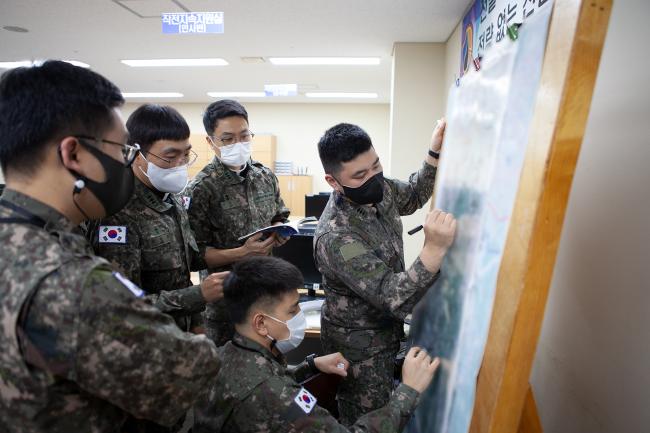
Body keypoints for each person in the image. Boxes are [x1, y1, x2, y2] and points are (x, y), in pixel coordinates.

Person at [0, 60, 220, 432]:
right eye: (122, 152)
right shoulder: (71, 279)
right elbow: (184, 376)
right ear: (73, 154)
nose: (126, 165)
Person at [313, 121, 457, 425]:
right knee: (374, 422)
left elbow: (415, 194)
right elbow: (393, 296)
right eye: (359, 175)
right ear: (333, 180)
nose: (373, 178)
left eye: (375, 165)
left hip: (388, 335)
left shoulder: (380, 187)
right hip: (359, 354)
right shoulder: (337, 237)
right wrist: (433, 250)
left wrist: (433, 152)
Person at [193, 256, 440, 433]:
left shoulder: (225, 353)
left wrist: (310, 366)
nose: (299, 314)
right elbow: (269, 393)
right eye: (292, 310)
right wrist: (408, 391)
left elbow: (265, 379)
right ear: (261, 324)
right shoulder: (276, 398)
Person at [86, 104, 228, 335]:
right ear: (135, 154)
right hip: (145, 344)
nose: (180, 164)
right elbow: (123, 306)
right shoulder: (118, 215)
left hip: (179, 337)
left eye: (185, 154)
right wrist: (199, 295)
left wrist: (197, 324)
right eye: (170, 157)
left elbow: (181, 274)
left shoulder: (172, 200)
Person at [186, 99, 290, 346]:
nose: (238, 144)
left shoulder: (265, 176)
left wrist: (280, 231)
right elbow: (193, 255)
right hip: (226, 307)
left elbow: (279, 213)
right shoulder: (201, 189)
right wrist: (242, 252)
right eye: (228, 139)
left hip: (265, 297)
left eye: (244, 136)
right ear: (210, 142)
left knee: (267, 371)